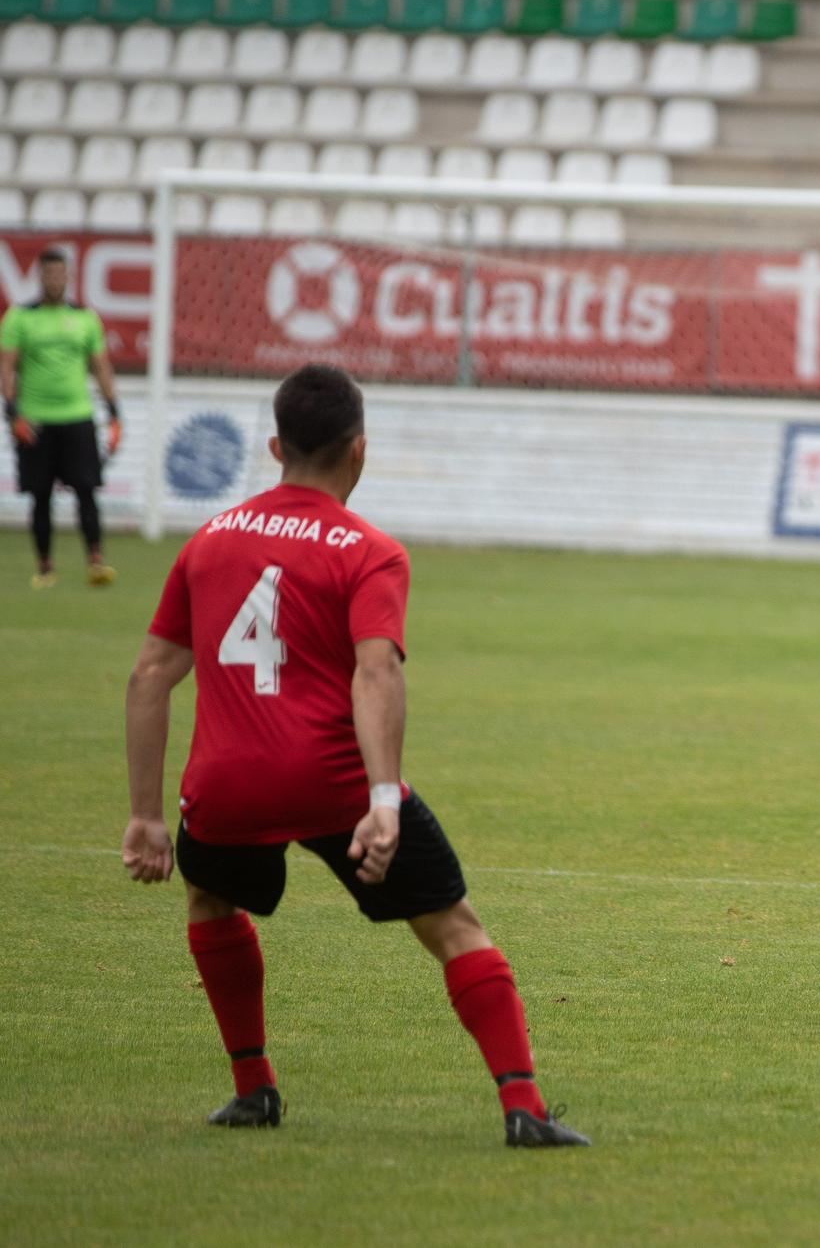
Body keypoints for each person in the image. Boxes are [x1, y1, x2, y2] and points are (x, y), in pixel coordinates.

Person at [121, 363, 588, 1147]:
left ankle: (253, 1089)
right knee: (453, 926)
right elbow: (377, 670)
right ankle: (524, 1106)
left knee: (211, 899)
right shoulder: (368, 550)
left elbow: (150, 675)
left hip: (227, 786)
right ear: (359, 450)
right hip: (333, 781)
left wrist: (143, 815)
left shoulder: (208, 540)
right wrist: (382, 798)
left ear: (274, 444)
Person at [2, 247, 120, 589]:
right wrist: (11, 413)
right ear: (39, 277)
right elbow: (7, 368)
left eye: (60, 274)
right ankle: (45, 566)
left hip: (77, 416)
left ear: (68, 277)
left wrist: (114, 412)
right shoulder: (19, 318)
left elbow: (101, 367)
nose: (55, 280)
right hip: (36, 419)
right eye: (48, 274)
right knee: (40, 495)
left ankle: (96, 561)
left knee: (87, 489)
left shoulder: (85, 318)